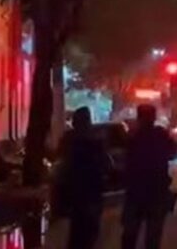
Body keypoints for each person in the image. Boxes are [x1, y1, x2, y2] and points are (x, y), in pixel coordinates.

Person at [121, 104, 177, 249]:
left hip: (137, 192)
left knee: (130, 235)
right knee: (152, 237)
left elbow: (126, 161)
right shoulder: (159, 135)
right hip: (155, 192)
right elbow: (172, 152)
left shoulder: (133, 136)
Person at [59, 107, 110, 249]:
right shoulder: (95, 144)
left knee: (78, 234)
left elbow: (65, 168)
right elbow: (106, 165)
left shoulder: (71, 142)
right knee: (89, 233)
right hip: (91, 195)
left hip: (79, 196)